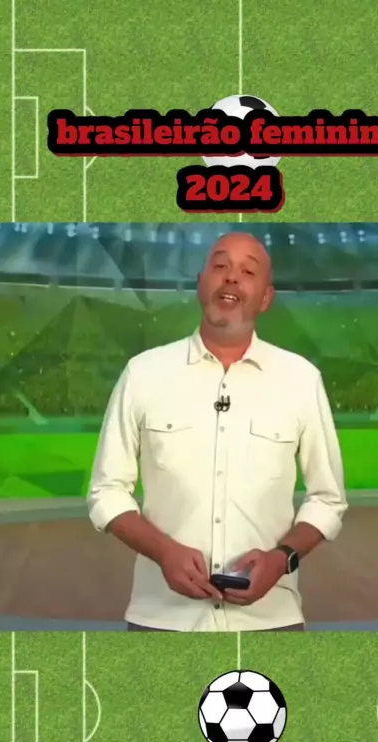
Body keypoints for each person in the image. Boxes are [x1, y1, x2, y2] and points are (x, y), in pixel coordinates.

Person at [87, 231, 347, 631]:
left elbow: (328, 500)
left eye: (248, 271)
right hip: (161, 620)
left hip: (271, 622)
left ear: (266, 298)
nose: (231, 276)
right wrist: (164, 552)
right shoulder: (143, 373)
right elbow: (106, 492)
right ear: (201, 284)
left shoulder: (301, 379)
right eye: (220, 265)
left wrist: (281, 559)